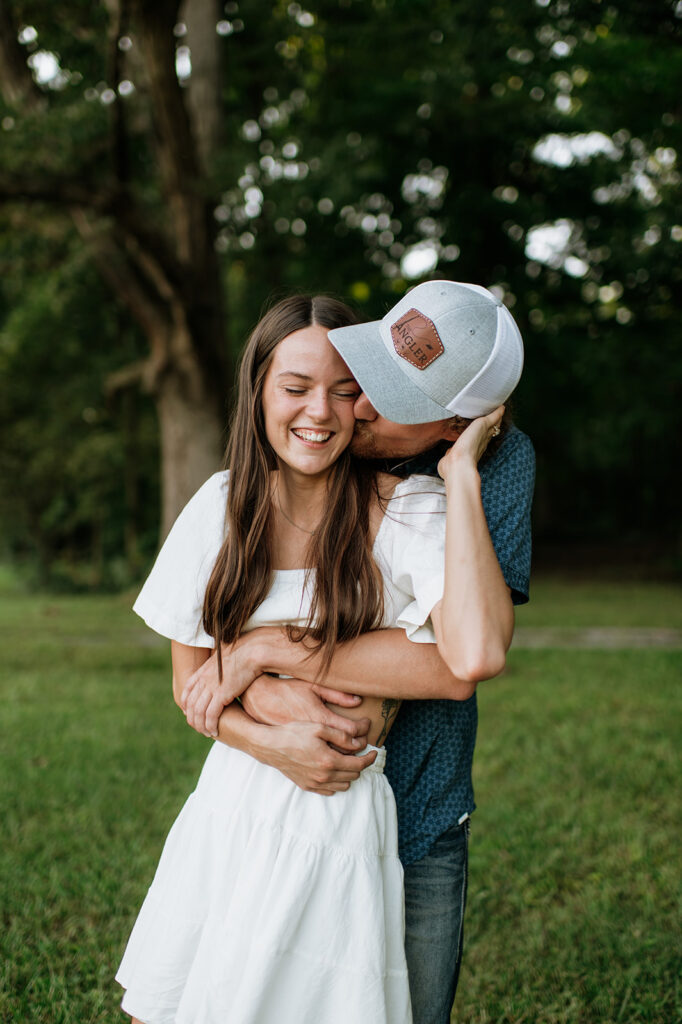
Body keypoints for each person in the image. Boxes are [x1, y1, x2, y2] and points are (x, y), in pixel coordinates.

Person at [116, 292, 514, 1024]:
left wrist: (460, 474)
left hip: (337, 822)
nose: (320, 413)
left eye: (346, 391)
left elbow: (469, 658)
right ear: (259, 391)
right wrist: (274, 738)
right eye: (295, 388)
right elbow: (191, 688)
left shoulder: (408, 507)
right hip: (231, 811)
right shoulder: (220, 506)